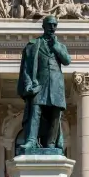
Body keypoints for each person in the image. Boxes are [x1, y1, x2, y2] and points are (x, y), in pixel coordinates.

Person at [17, 15, 71, 152]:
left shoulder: (60, 46)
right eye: (49, 24)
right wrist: (28, 84)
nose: (52, 27)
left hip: (55, 86)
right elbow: (26, 68)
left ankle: (51, 143)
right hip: (38, 84)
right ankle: (31, 140)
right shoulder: (34, 44)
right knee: (35, 112)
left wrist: (55, 45)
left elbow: (66, 61)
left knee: (55, 115)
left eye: (54, 25)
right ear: (43, 26)